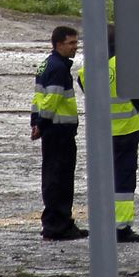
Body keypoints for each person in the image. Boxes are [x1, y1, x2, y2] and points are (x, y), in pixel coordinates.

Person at [77, 24, 139, 243]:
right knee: (124, 183)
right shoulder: (126, 65)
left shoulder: (89, 67)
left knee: (102, 181)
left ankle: (103, 224)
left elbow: (87, 90)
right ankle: (121, 227)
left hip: (100, 135)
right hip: (126, 133)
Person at [32, 25, 86, 241]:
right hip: (59, 131)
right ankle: (59, 225)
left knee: (52, 177)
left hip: (51, 130)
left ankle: (58, 223)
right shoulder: (59, 68)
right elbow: (51, 101)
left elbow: (38, 98)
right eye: (71, 43)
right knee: (60, 180)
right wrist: (42, 123)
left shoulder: (47, 64)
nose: (75, 47)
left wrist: (36, 122)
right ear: (58, 44)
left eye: (76, 43)